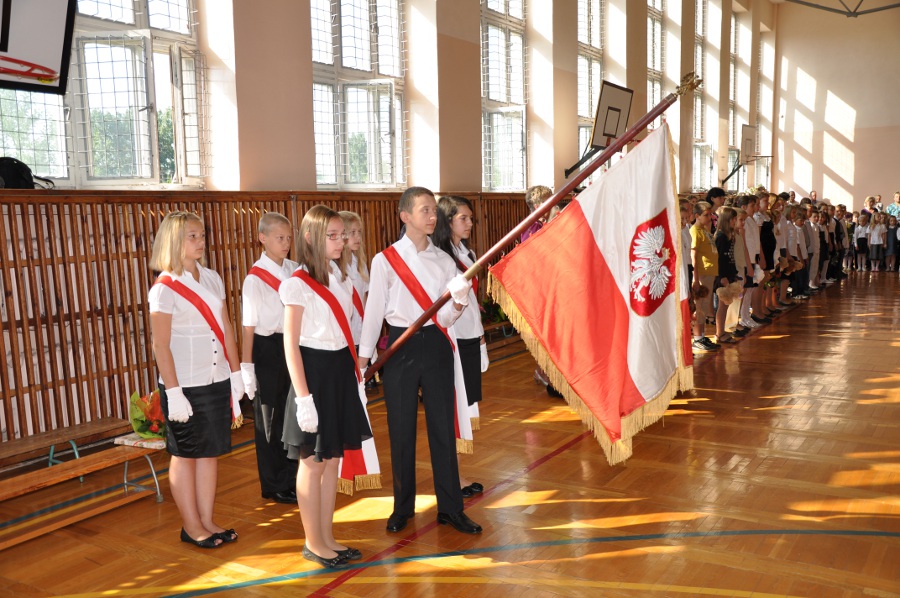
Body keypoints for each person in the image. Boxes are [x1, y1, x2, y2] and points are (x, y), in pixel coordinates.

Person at [358, 186, 483, 535]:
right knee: (401, 430)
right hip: (400, 346)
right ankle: (402, 507)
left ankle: (450, 508)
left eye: (434, 211)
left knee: (442, 428)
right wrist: (364, 361)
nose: (432, 217)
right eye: (425, 210)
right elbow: (373, 313)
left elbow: (444, 321)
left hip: (436, 346)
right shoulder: (385, 260)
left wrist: (457, 303)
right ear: (405, 216)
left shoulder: (444, 260)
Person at [280, 205, 373, 568]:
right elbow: (291, 344)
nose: (341, 242)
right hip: (313, 375)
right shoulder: (296, 283)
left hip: (337, 371)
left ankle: (328, 536)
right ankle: (313, 541)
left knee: (332, 459)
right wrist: (303, 398)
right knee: (312, 462)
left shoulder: (340, 277)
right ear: (311, 238)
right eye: (332, 236)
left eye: (342, 235)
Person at [148, 211, 243, 549]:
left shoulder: (212, 278)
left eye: (202, 235)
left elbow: (227, 327)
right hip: (184, 384)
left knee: (209, 452)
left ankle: (207, 519)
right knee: (185, 454)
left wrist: (236, 373)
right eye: (192, 236)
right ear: (174, 240)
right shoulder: (164, 288)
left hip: (215, 378)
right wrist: (173, 392)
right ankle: (191, 526)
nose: (200, 241)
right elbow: (160, 344)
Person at [241, 212, 299, 504]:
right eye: (279, 237)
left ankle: (291, 477)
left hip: (292, 343)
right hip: (266, 348)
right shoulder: (255, 278)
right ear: (263, 238)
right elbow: (248, 327)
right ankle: (273, 483)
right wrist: (246, 368)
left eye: (288, 237)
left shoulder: (294, 269)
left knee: (290, 414)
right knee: (269, 419)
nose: (286, 242)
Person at [432, 195, 488, 499]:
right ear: (448, 220)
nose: (468, 223)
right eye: (462, 218)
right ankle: (450, 475)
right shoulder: (442, 257)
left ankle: (454, 472)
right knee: (452, 408)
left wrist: (480, 338)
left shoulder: (465, 252)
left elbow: (473, 303)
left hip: (468, 336)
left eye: (470, 218)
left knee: (463, 407)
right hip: (451, 338)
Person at [339, 210, 376, 390]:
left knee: (361, 385)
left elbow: (366, 298)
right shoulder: (335, 267)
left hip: (360, 330)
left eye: (359, 232)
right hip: (345, 334)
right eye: (352, 232)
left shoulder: (359, 263)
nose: (357, 237)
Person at [690, 201, 720, 352]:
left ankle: (701, 335)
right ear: (697, 216)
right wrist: (695, 277)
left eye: (710, 215)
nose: (709, 218)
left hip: (710, 272)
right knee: (699, 306)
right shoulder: (695, 231)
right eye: (705, 215)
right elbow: (693, 254)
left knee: (705, 303)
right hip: (702, 273)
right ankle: (697, 338)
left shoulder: (704, 230)